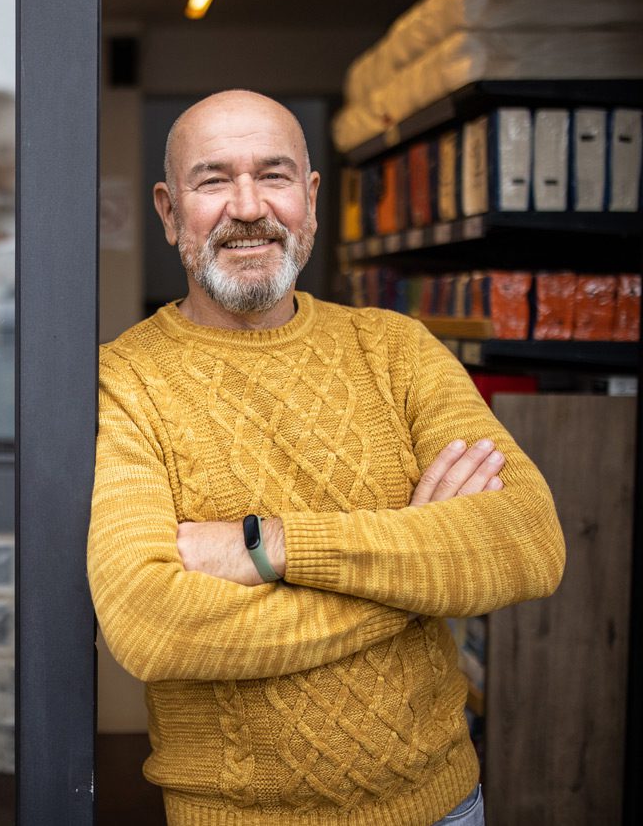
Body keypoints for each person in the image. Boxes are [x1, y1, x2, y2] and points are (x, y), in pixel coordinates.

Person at [87, 90, 565, 826]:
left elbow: (529, 539)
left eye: (273, 175)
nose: (248, 206)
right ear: (169, 208)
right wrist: (417, 569)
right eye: (213, 180)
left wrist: (269, 545)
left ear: (309, 200)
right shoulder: (123, 380)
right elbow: (152, 623)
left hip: (445, 806)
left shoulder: (398, 350)